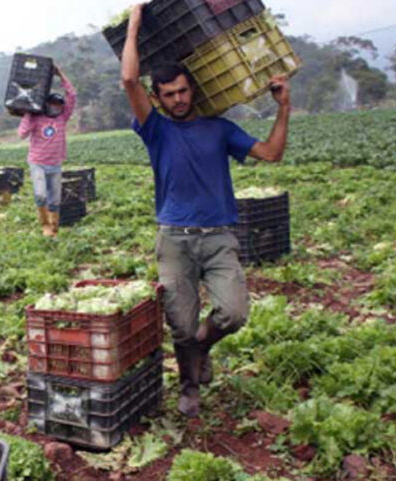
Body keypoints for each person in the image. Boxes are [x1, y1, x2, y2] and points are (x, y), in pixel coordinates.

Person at [121, 3, 291, 418]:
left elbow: (271, 153)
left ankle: (202, 345)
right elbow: (129, 78)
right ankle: (189, 386)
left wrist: (284, 107)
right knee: (178, 323)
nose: (178, 99)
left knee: (233, 313)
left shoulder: (219, 128)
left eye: (182, 90)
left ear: (191, 88)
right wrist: (134, 23)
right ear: (158, 99)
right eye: (169, 95)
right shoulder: (155, 130)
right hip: (174, 239)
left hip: (218, 236)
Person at [17, 65, 76, 237]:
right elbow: (21, 134)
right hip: (37, 163)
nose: (56, 107)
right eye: (53, 104)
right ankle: (44, 225)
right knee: (41, 195)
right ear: (46, 104)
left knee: (55, 200)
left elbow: (72, 95)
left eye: (59, 105)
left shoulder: (62, 118)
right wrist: (28, 113)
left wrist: (61, 75)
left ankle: (54, 229)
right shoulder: (36, 118)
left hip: (55, 163)